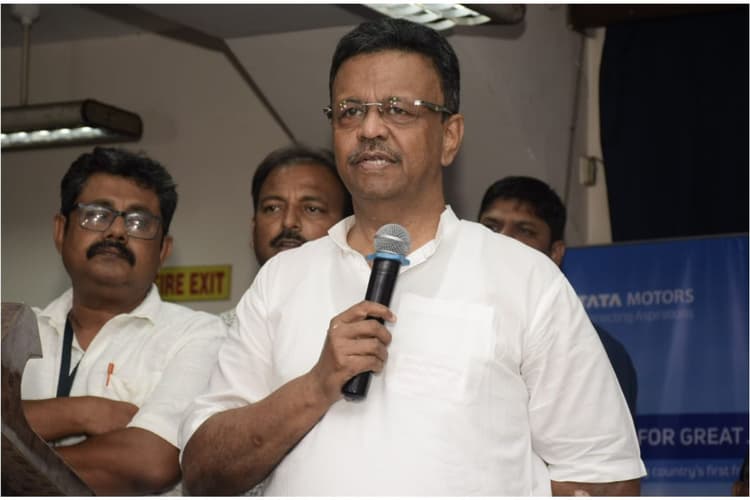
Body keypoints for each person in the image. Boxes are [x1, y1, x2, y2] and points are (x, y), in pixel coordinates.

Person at [179, 18, 646, 496]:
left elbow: (602, 478)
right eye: (350, 111)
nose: (369, 129)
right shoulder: (281, 279)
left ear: (450, 136)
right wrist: (316, 385)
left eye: (398, 110)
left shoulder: (525, 278)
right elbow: (202, 471)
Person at [20, 147, 227, 495]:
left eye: (139, 222)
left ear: (163, 251)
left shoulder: (198, 335)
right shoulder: (14, 332)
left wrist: (17, 445)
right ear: (61, 231)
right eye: (97, 215)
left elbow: (149, 463)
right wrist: (82, 413)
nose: (116, 232)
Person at [477, 175, 639, 420]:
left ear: (555, 253)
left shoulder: (594, 351)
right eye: (491, 227)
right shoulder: (444, 322)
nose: (503, 239)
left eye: (524, 230)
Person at [220, 143, 352, 328]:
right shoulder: (221, 333)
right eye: (273, 208)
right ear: (253, 228)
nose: (288, 222)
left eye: (311, 209)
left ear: (348, 230)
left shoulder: (366, 326)